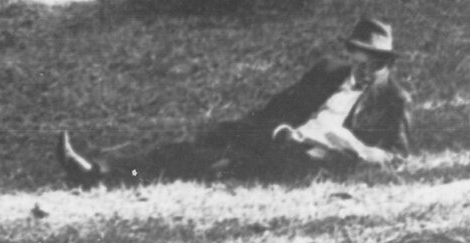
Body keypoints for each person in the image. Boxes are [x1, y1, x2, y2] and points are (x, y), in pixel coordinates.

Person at [57, 16, 413, 187]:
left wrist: (350, 144)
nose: (367, 67)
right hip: (276, 140)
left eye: (377, 62)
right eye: (361, 56)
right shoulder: (327, 71)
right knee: (193, 149)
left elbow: (398, 157)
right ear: (349, 53)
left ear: (387, 63)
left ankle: (98, 173)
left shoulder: (394, 99)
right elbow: (280, 106)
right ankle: (99, 169)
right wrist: (280, 130)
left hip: (309, 160)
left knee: (205, 163)